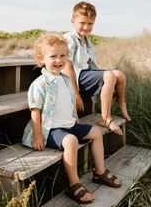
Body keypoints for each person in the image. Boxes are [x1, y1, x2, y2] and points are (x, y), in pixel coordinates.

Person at [22, 32, 121, 204]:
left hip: (69, 124)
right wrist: (38, 135)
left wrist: (76, 119)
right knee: (71, 141)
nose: (59, 60)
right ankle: (74, 183)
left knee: (96, 132)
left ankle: (99, 172)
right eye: (53, 56)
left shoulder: (67, 80)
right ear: (41, 59)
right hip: (51, 129)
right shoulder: (40, 84)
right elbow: (35, 111)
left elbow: (70, 102)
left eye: (63, 56)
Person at [64, 1, 131, 136]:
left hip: (86, 73)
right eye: (82, 23)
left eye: (90, 24)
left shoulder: (88, 41)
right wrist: (76, 94)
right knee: (110, 76)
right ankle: (105, 118)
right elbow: (68, 67)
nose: (86, 27)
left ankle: (121, 103)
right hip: (76, 77)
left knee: (119, 74)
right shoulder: (70, 38)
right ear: (73, 21)